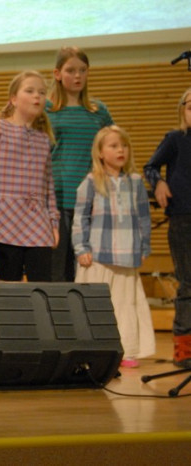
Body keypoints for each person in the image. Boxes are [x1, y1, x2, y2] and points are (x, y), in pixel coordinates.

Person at [73, 125, 154, 368]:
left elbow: (144, 218)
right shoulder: (91, 182)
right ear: (100, 152)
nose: (121, 150)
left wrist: (143, 247)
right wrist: (81, 248)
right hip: (97, 256)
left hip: (127, 256)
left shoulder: (135, 183)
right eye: (114, 146)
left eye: (124, 146)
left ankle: (127, 350)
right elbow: (80, 217)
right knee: (94, 305)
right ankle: (93, 351)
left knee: (126, 304)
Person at [0, 70, 59, 282]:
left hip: (37, 220)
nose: (37, 96)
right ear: (14, 99)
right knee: (10, 282)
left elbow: (48, 186)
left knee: (43, 283)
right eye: (30, 91)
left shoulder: (43, 138)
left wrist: (53, 223)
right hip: (4, 217)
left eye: (41, 92)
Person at [47, 46, 114, 282]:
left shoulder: (98, 111)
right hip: (57, 199)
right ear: (57, 74)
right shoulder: (46, 109)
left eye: (83, 70)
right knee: (57, 271)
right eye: (71, 70)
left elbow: (113, 148)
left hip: (91, 200)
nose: (77, 76)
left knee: (87, 270)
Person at [144, 87, 191, 368]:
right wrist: (159, 183)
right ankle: (184, 348)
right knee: (187, 282)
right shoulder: (175, 139)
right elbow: (151, 167)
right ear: (182, 110)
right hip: (183, 219)